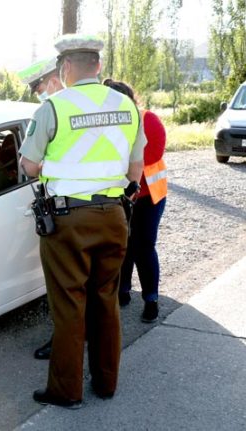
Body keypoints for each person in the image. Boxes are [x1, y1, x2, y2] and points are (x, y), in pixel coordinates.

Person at [19, 34, 146, 409]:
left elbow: (28, 165)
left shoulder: (53, 108)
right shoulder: (127, 106)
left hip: (68, 221)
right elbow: (135, 167)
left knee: (69, 304)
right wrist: (123, 193)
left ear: (67, 68)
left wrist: (51, 168)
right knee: (105, 300)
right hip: (114, 216)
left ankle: (66, 391)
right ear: (99, 66)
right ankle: (106, 384)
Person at [103, 79, 167, 324]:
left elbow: (152, 154)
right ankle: (123, 292)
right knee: (123, 244)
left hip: (148, 195)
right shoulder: (106, 123)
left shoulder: (147, 119)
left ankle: (151, 300)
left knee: (143, 246)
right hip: (121, 194)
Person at [18, 57, 63, 361]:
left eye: (39, 87)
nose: (40, 94)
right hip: (107, 208)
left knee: (63, 285)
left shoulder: (54, 111)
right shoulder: (101, 107)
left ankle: (64, 343)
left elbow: (30, 166)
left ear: (55, 79)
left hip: (67, 211)